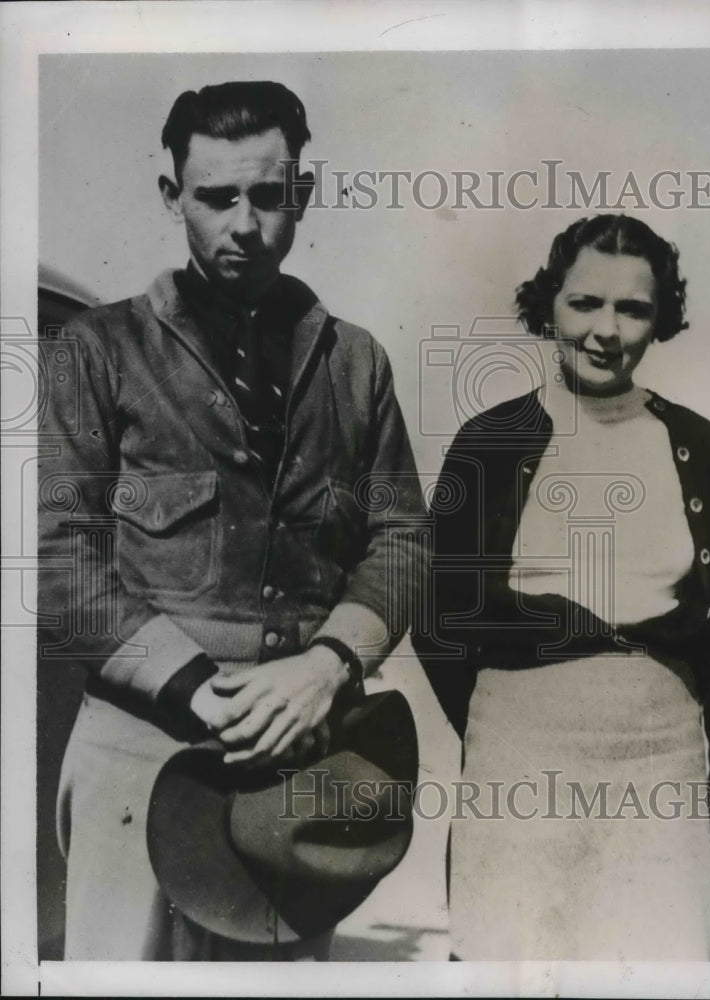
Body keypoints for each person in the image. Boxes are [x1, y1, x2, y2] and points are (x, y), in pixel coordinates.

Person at [38, 80, 424, 961]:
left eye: (267, 195)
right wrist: (194, 688)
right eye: (215, 197)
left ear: (303, 195)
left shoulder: (354, 362)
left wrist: (330, 666)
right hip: (144, 756)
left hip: (298, 760)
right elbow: (59, 557)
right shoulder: (101, 350)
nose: (243, 224)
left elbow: (400, 534)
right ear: (174, 196)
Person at [414, 214, 710, 960]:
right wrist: (508, 731)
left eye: (632, 308)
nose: (605, 329)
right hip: (518, 763)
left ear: (660, 321)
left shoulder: (697, 445)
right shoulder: (489, 441)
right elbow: (438, 621)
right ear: (549, 305)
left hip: (662, 766)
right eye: (584, 303)